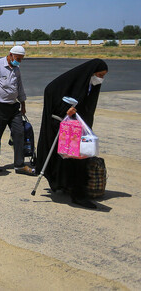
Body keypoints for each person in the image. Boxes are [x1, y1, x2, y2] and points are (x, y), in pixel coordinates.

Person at [36, 59, 109, 209]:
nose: (101, 79)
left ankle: (66, 186)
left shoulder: (89, 85)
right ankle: (78, 195)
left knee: (72, 158)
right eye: (100, 75)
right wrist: (65, 109)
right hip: (63, 126)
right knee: (76, 159)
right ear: (92, 72)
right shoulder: (73, 81)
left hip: (75, 128)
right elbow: (51, 91)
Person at [0, 45, 33, 174]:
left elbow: (20, 87)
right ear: (10, 55)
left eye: (21, 59)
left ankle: (19, 165)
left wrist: (23, 104)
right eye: (17, 58)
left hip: (14, 107)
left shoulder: (16, 69)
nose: (19, 61)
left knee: (19, 133)